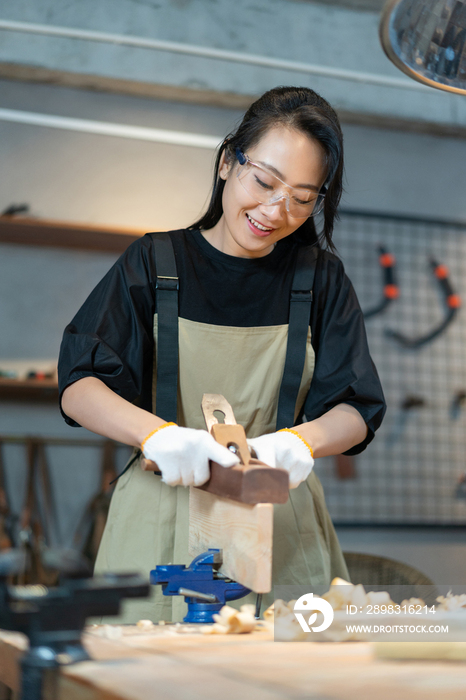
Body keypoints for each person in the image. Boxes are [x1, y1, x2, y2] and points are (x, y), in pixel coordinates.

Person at [58, 86, 386, 622]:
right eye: (264, 182)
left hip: (280, 524)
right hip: (160, 515)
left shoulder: (321, 279)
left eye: (303, 198)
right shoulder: (152, 262)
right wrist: (157, 434)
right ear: (226, 163)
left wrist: (298, 442)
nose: (276, 211)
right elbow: (79, 385)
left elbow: (357, 407)